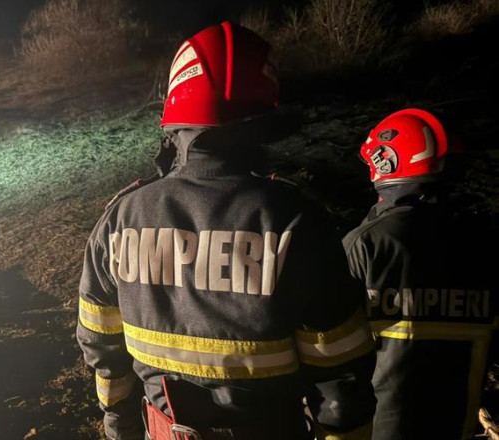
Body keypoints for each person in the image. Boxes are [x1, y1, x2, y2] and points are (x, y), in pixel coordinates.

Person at [76, 21, 376, 440]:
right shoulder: (295, 220)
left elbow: (102, 349)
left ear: (174, 120)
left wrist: (119, 427)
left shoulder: (119, 219)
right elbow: (341, 376)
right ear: (259, 122)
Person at [342, 109, 498, 440]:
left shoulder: (366, 243)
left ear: (385, 163)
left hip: (378, 428)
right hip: (457, 425)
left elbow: (334, 350)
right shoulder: (484, 243)